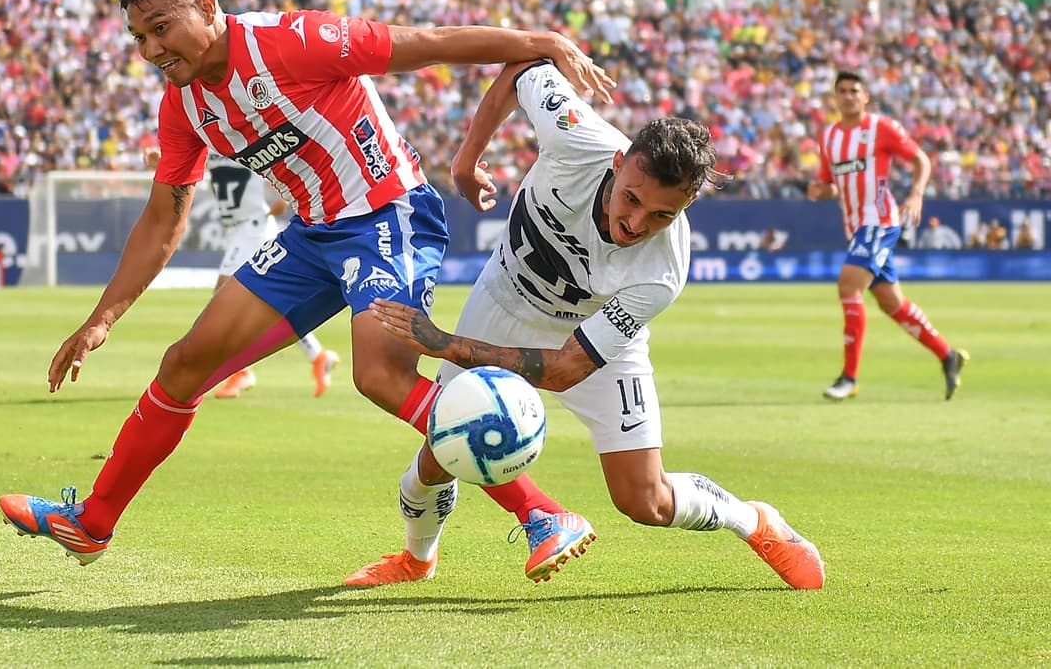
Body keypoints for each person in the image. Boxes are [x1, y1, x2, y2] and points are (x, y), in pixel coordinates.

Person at [0, 0, 615, 566]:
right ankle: (93, 523)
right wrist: (102, 318)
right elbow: (165, 217)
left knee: (379, 374)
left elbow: (421, 43)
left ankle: (541, 513)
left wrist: (539, 41)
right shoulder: (182, 106)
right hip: (310, 237)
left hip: (388, 214)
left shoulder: (292, 40)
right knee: (184, 365)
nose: (151, 49)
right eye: (139, 37)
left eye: (161, 28)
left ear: (207, 8)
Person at [345, 60, 825, 590]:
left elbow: (564, 369)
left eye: (662, 216)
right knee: (443, 452)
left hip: (591, 340)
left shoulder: (662, 270)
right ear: (619, 163)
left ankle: (754, 521)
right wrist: (467, 159)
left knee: (644, 501)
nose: (635, 225)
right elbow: (522, 68)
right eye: (633, 199)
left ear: (688, 205)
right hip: (504, 301)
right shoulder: (576, 135)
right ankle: (417, 559)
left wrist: (443, 343)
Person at [806, 71, 968, 401]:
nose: (848, 96)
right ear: (835, 98)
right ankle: (947, 354)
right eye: (842, 91)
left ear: (866, 96)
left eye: (854, 90)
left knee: (848, 285)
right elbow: (830, 184)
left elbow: (920, 160)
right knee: (891, 303)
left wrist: (916, 194)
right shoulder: (829, 137)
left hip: (879, 220)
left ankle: (849, 378)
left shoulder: (882, 128)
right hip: (855, 228)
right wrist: (818, 190)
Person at [145, 146, 341, 399]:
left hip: (253, 228)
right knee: (270, 304)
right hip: (239, 230)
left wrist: (284, 199)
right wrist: (161, 162)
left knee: (223, 300)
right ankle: (318, 355)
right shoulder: (211, 143)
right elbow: (194, 166)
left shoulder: (241, 141)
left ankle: (242, 372)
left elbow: (284, 161)